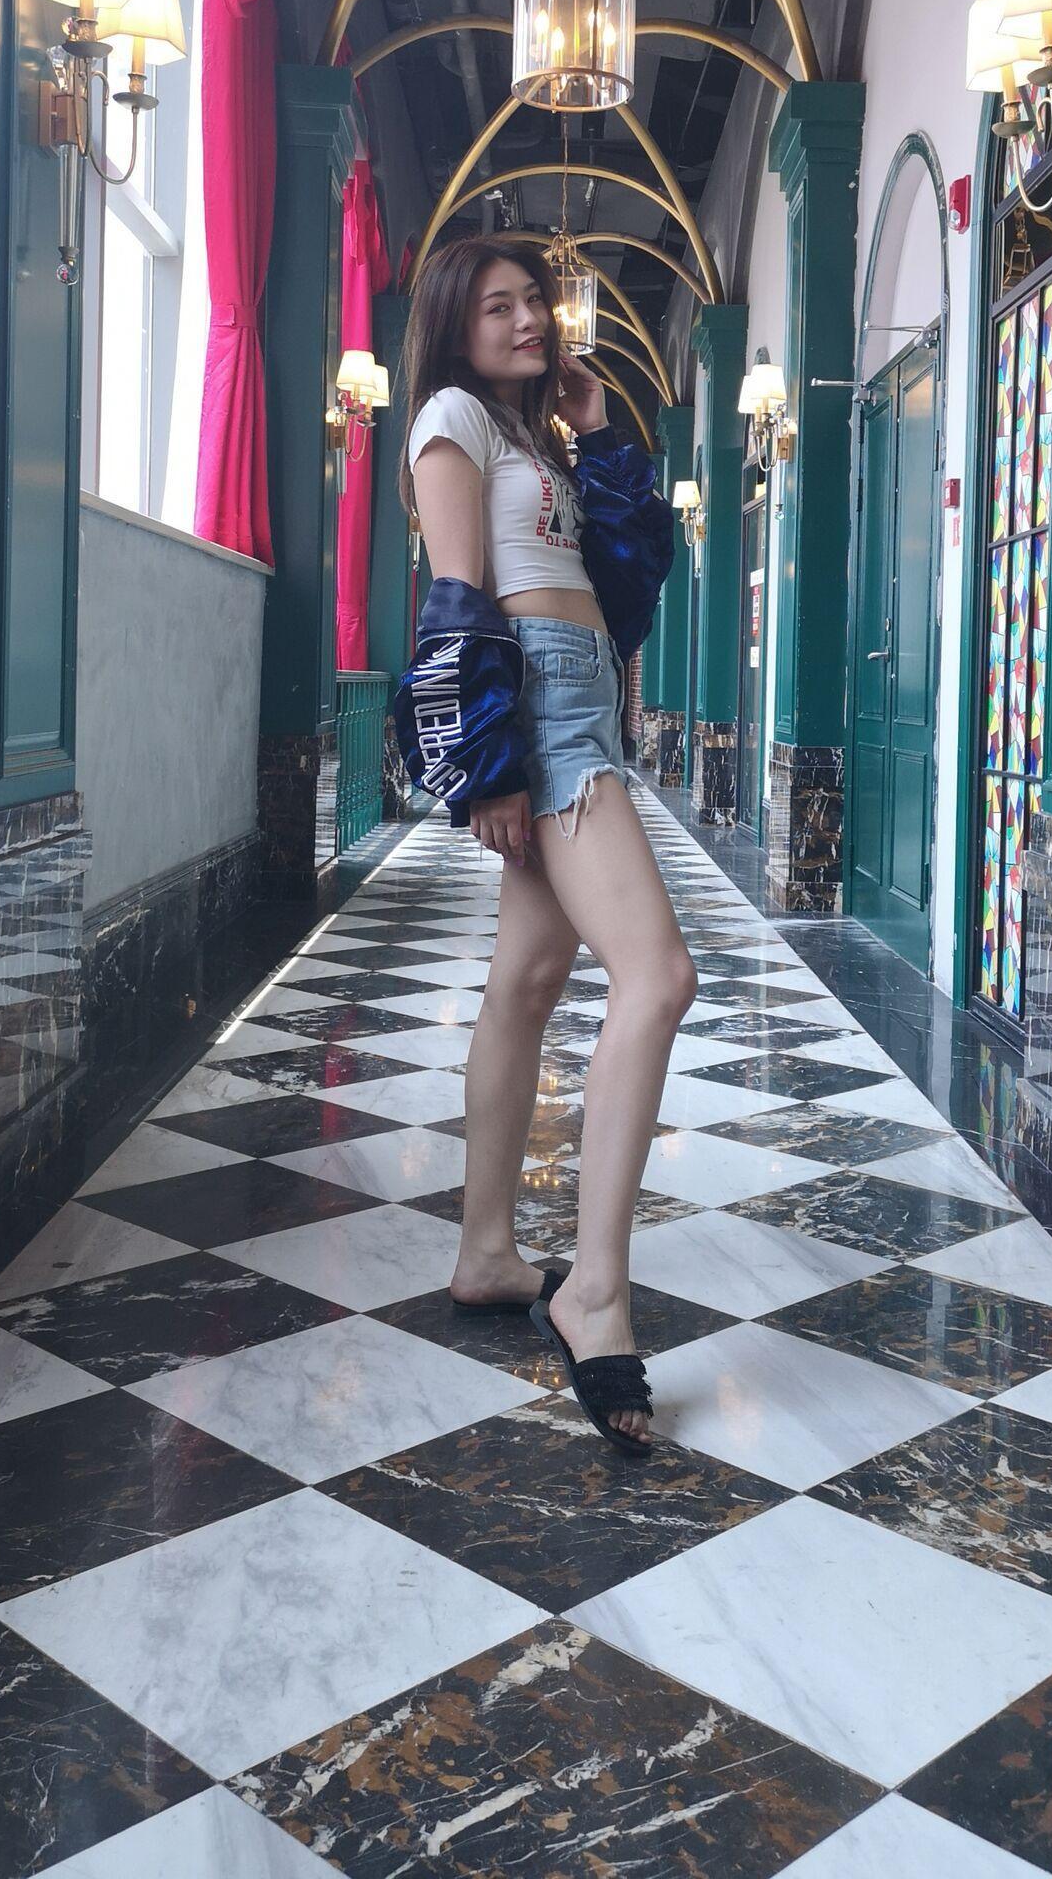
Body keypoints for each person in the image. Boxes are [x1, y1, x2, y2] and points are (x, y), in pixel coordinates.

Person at [391, 236, 694, 1453]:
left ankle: (486, 1254)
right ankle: (595, 1291)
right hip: (542, 702)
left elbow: (628, 583)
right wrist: (492, 768)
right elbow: (458, 598)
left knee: (526, 983)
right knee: (659, 978)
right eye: (497, 307)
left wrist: (603, 433)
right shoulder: (452, 421)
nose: (527, 321)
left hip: (586, 691)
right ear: (454, 326)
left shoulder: (534, 439)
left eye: (534, 303)